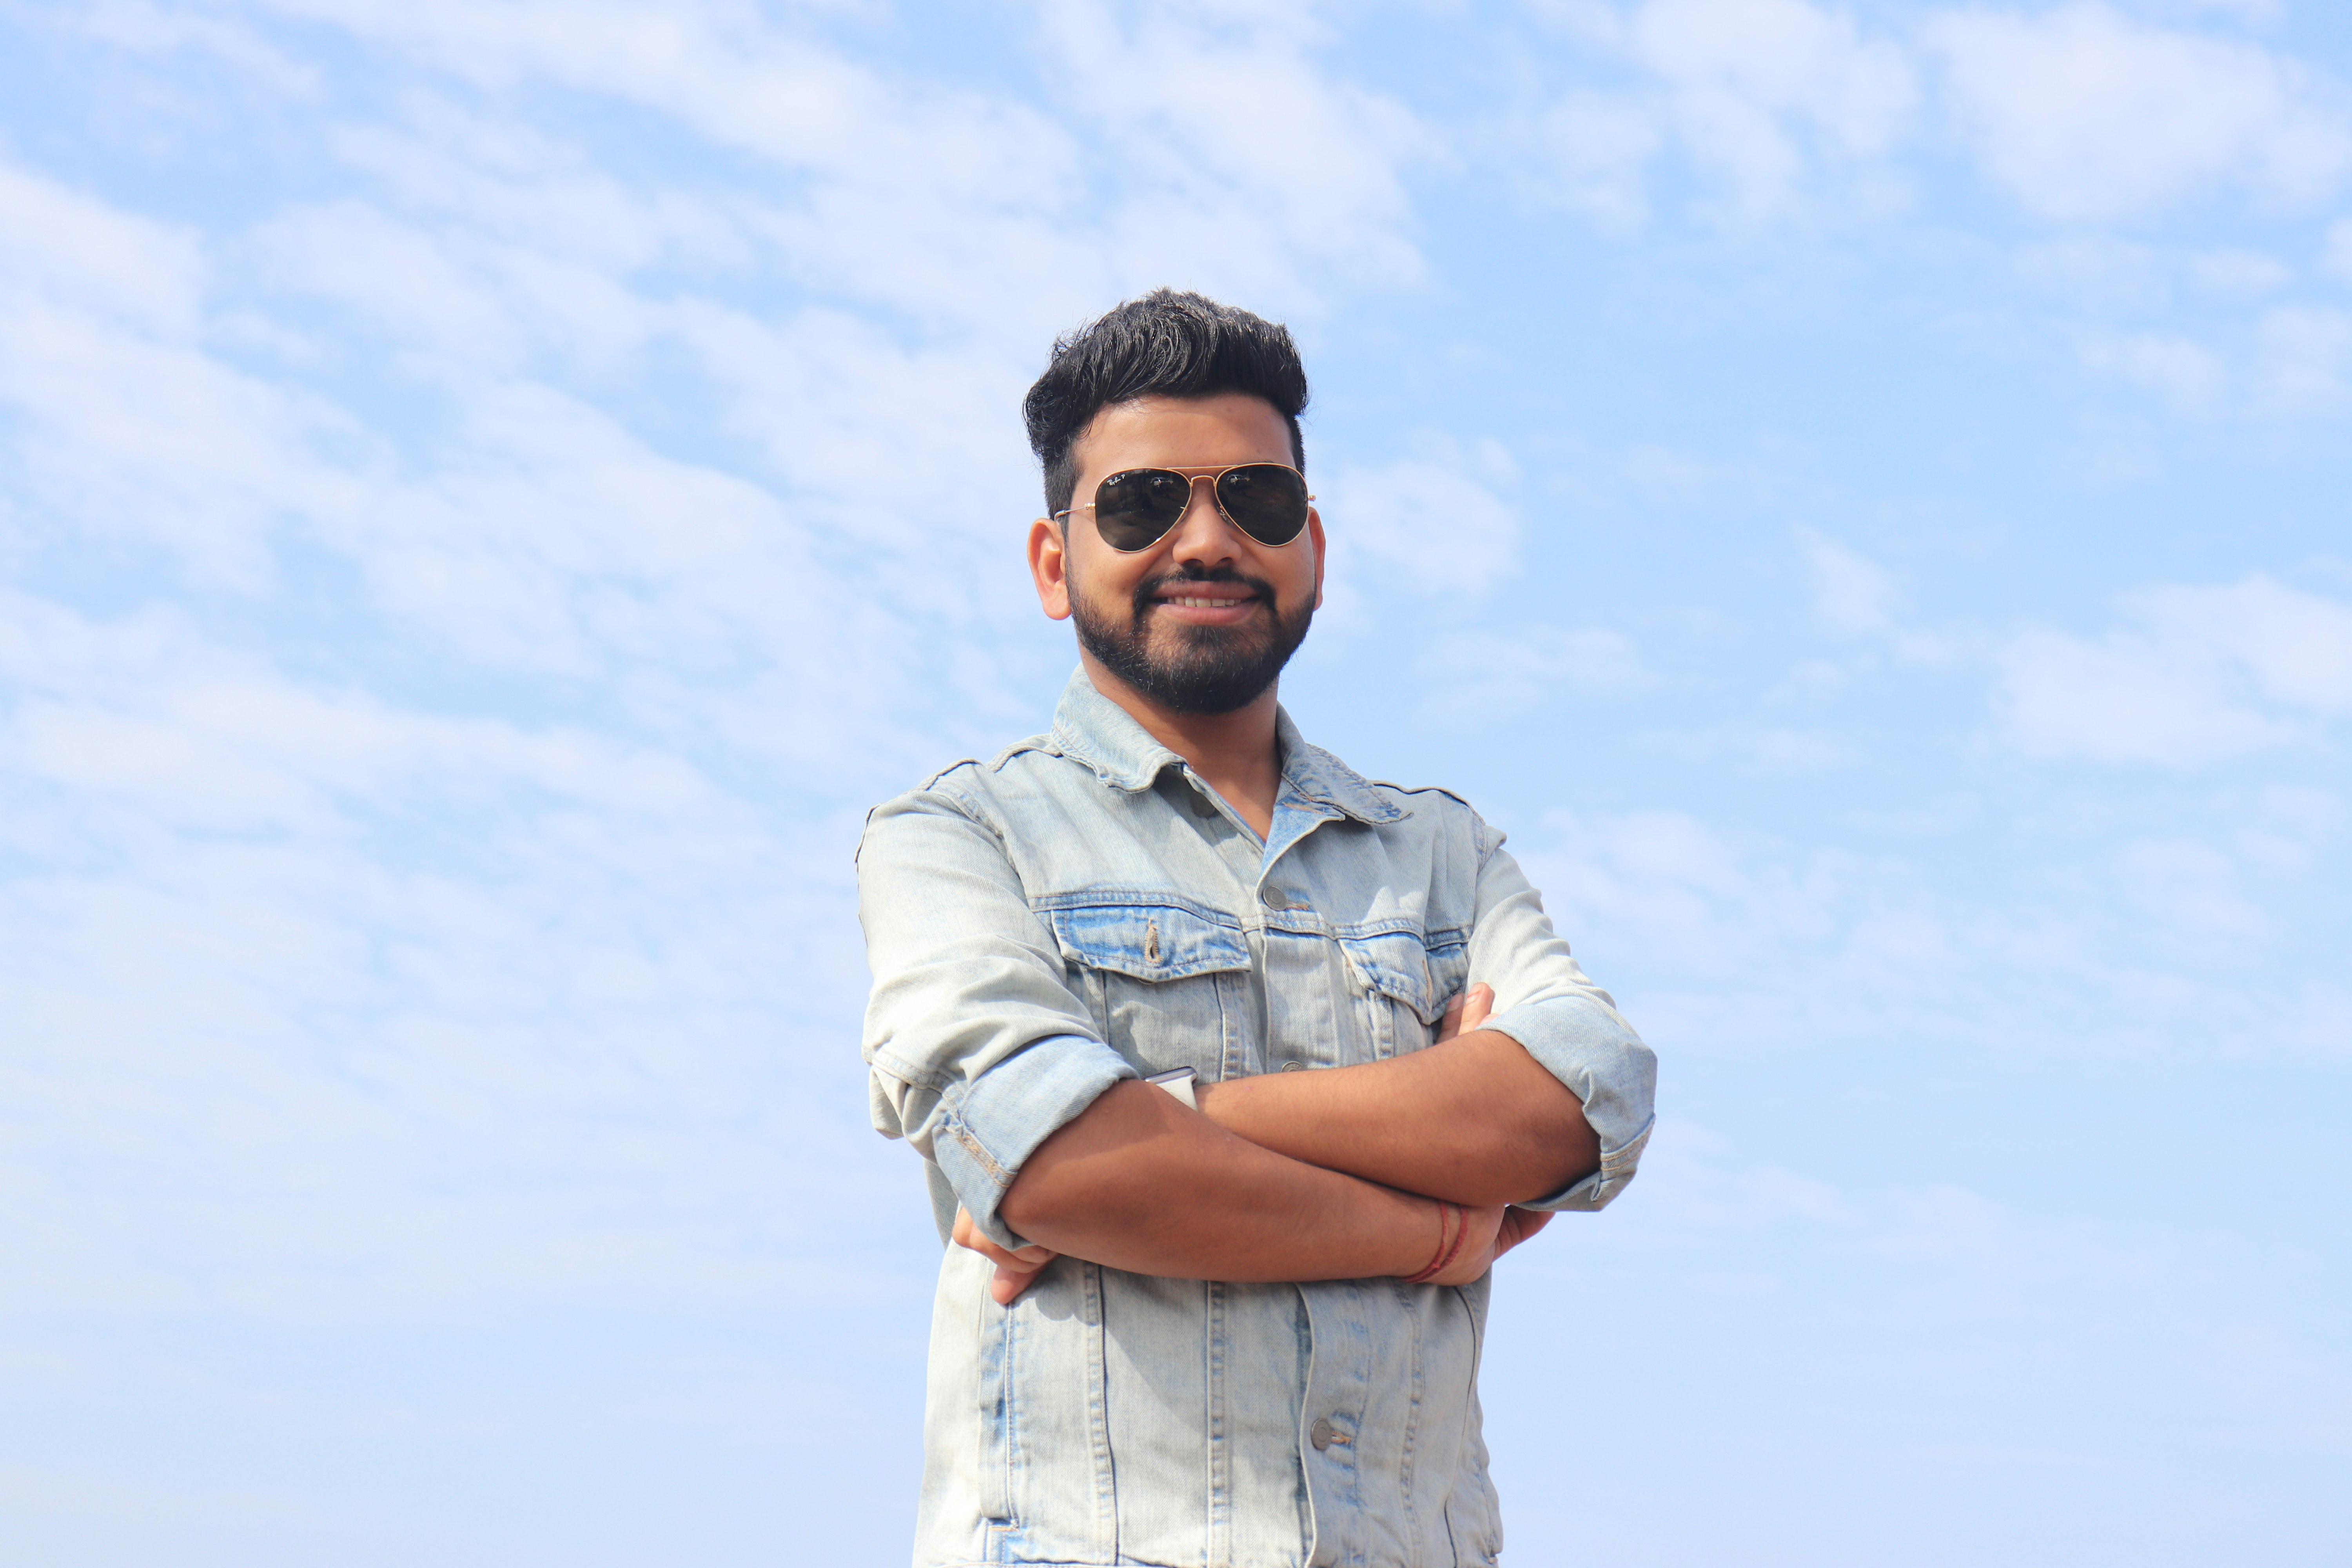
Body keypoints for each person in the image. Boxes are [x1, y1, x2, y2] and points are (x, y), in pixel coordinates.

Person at [857, 289, 1656, 1568]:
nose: (1207, 538)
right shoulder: (958, 837)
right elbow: (1059, 1166)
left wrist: (1171, 1116)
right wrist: (1437, 1226)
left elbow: (1584, 1102)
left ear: (1315, 548)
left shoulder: (1441, 855)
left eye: (1256, 500)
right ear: (1055, 564)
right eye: (1143, 502)